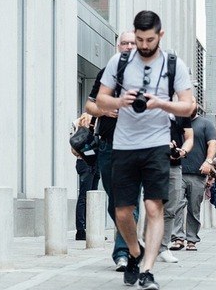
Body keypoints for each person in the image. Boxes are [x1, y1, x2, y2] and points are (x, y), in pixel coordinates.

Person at [96, 10, 195, 289]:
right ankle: (135, 252)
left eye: (149, 39)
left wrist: (160, 103)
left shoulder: (175, 64)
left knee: (154, 207)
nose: (143, 45)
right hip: (124, 145)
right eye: (139, 39)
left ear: (160, 35)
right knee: (123, 211)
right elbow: (100, 100)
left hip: (156, 144)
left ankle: (148, 271)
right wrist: (119, 102)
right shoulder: (120, 61)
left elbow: (189, 106)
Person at [85, 30, 136, 270]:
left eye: (132, 43)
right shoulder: (106, 74)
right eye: (124, 43)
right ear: (118, 47)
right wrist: (104, 111)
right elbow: (89, 105)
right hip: (108, 145)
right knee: (115, 202)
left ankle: (123, 253)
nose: (127, 46)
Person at [171, 107, 216, 250]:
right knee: (177, 205)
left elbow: (213, 143)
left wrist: (208, 161)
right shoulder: (175, 122)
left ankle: (191, 239)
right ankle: (178, 238)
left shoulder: (205, 124)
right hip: (177, 170)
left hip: (198, 173)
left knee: (194, 207)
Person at [156, 114, 193, 263]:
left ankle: (164, 248)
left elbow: (189, 137)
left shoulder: (181, 111)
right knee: (153, 207)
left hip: (174, 166)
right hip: (152, 164)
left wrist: (181, 151)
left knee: (171, 209)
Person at [72, 113, 100, 241]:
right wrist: (90, 153)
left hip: (95, 163)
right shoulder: (79, 122)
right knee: (84, 196)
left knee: (93, 197)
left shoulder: (101, 121)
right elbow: (74, 148)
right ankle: (80, 230)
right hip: (85, 163)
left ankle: (91, 230)